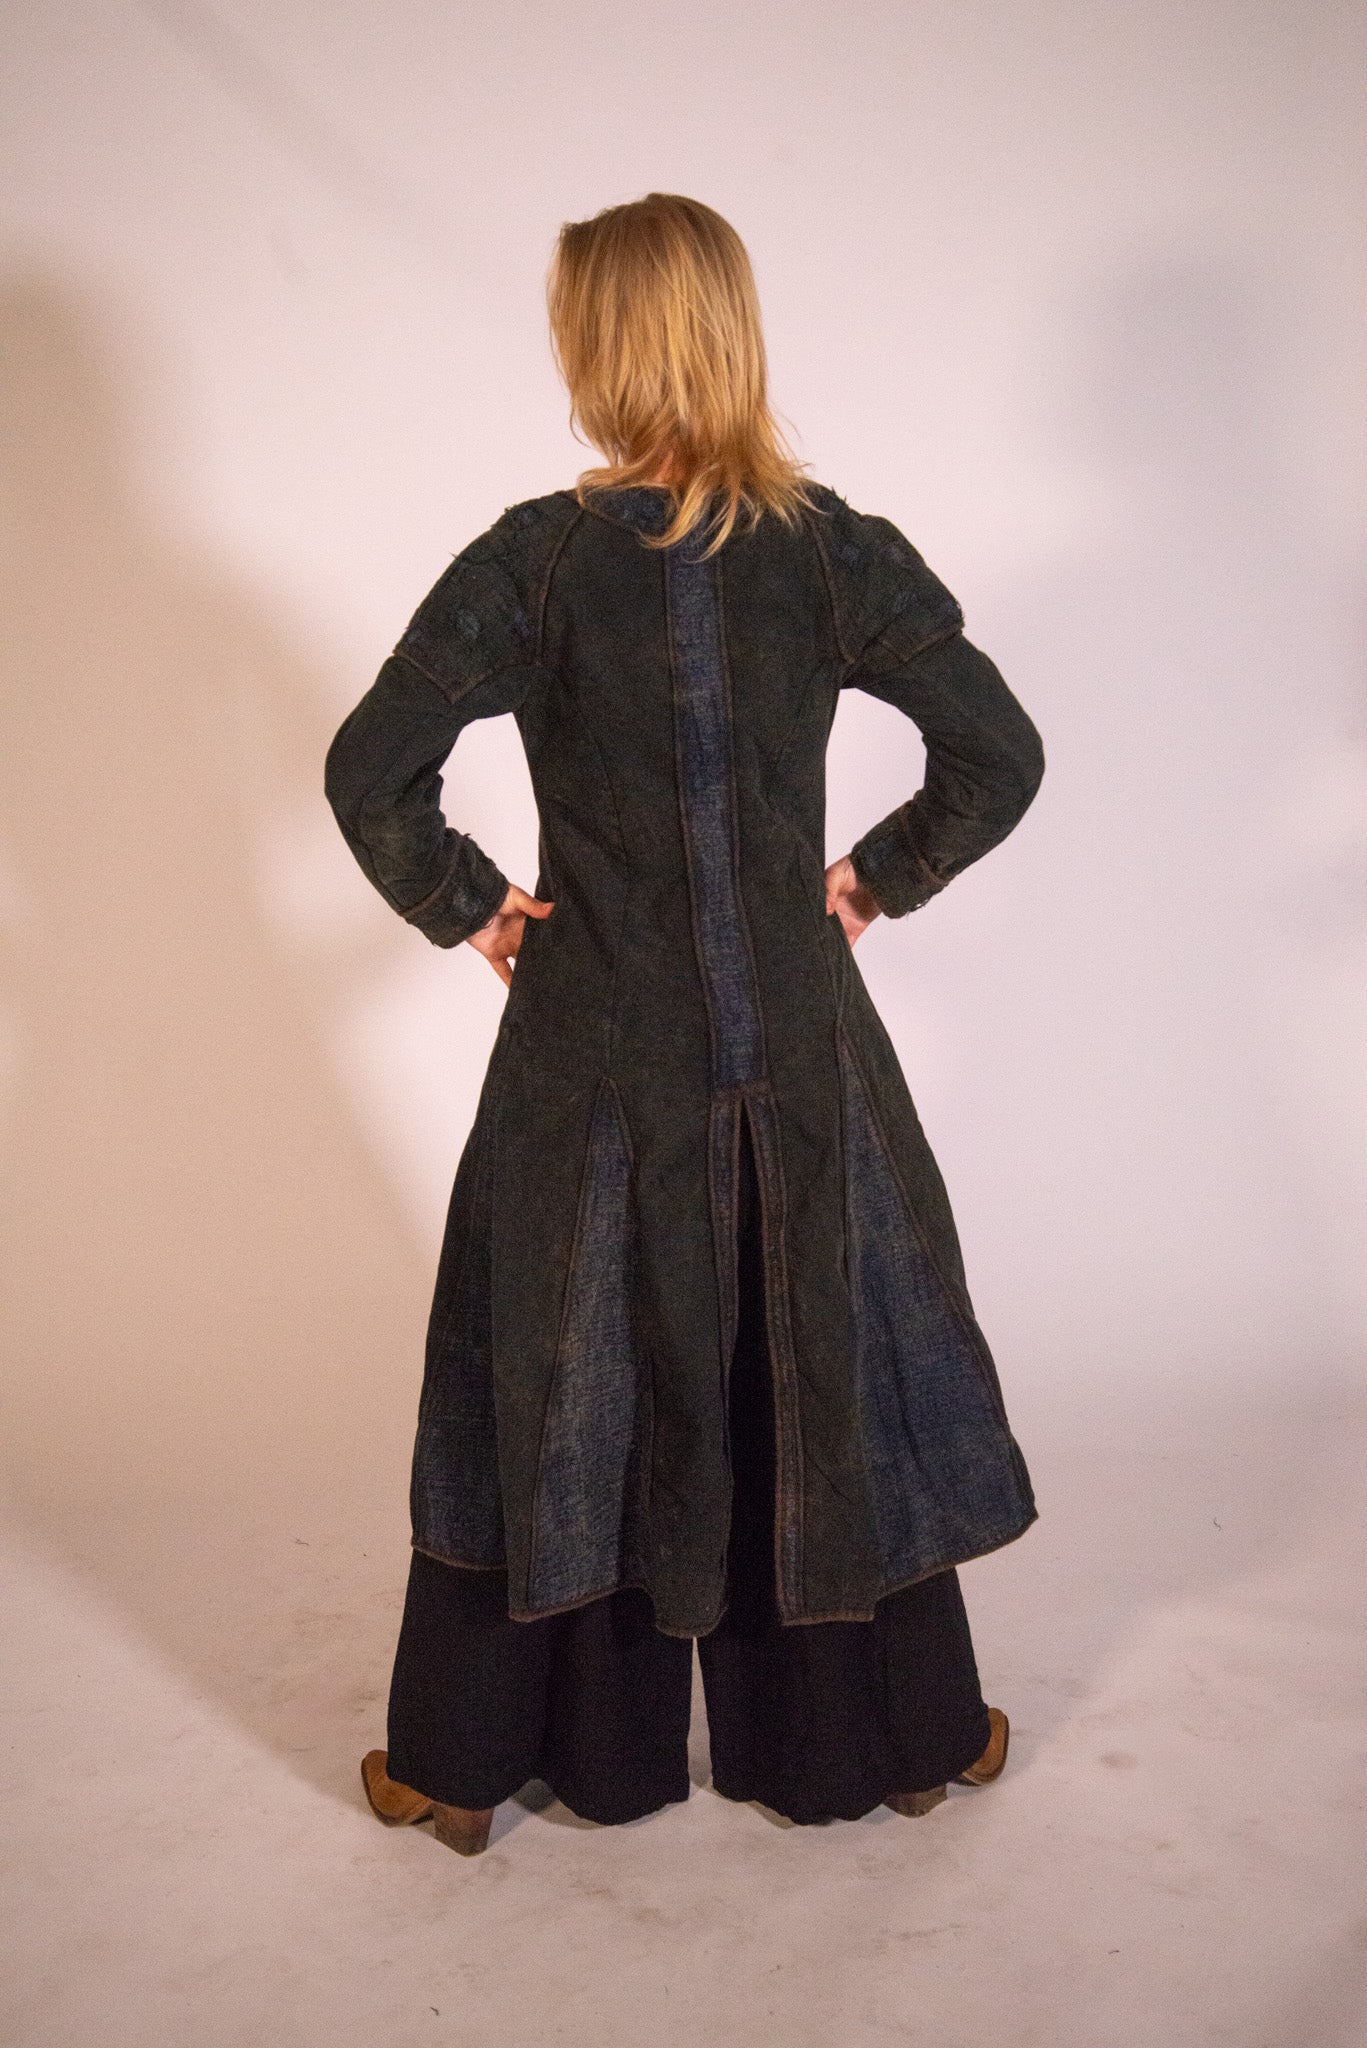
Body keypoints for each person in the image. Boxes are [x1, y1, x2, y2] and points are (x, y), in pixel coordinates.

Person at [324, 192, 1043, 1855]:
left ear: (596, 347)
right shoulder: (831, 548)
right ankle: (891, 1743)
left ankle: (466, 1763)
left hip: (591, 1058)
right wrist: (867, 882)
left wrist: (475, 906)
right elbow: (999, 753)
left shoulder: (535, 559)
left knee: (556, 1379)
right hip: (799, 1057)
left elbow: (370, 771)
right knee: (819, 1369)